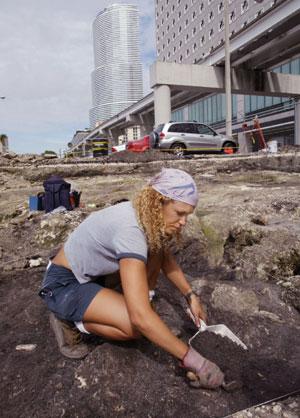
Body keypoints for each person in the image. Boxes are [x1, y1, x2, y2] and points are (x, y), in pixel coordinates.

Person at [39, 168, 224, 389]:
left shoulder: (145, 216)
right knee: (135, 327)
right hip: (64, 285)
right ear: (158, 202)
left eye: (188, 215)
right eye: (180, 213)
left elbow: (164, 257)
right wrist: (196, 361)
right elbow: (139, 318)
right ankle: (70, 321)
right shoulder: (131, 230)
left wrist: (190, 295)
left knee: (156, 250)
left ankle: (130, 306)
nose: (184, 222)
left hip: (93, 276)